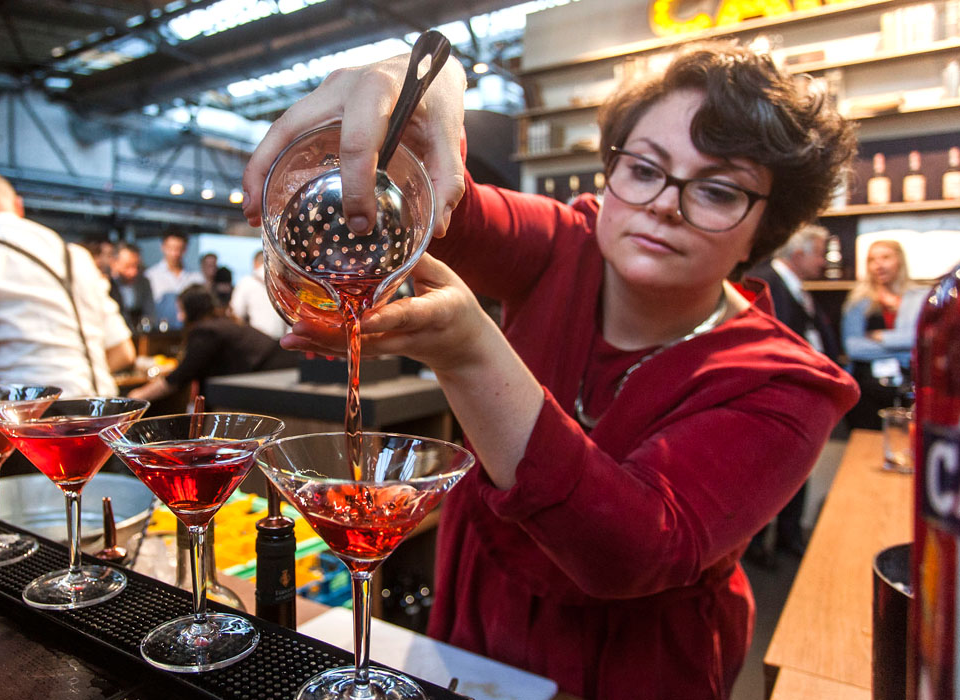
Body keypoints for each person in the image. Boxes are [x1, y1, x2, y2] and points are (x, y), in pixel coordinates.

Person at [242, 39, 859, 699]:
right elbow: (456, 209)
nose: (663, 205)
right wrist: (424, 102)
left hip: (631, 666)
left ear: (766, 227)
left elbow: (625, 551)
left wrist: (469, 350)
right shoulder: (566, 243)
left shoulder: (787, 384)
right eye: (644, 169)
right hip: (473, 619)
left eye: (715, 190)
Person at [0, 171, 135, 397]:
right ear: (19, 206)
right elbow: (123, 351)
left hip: (34, 421)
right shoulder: (76, 256)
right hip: (104, 416)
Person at [745, 224, 843, 566]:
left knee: (798, 468)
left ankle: (789, 535)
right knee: (766, 473)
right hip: (776, 394)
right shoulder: (762, 281)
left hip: (803, 392)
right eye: (819, 253)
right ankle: (756, 544)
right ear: (798, 253)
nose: (823, 261)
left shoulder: (798, 287)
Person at [128, 284, 294, 403]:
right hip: (282, 372)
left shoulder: (206, 332)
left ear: (192, 310)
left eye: (181, 310)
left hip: (274, 377)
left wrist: (138, 395)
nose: (179, 317)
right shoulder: (222, 322)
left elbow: (180, 377)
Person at [841, 239, 927, 429]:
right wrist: (903, 347)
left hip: (909, 386)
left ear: (899, 261)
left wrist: (882, 337)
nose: (878, 264)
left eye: (885, 257)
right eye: (872, 259)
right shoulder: (858, 300)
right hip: (867, 389)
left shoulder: (919, 297)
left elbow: (920, 339)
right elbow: (853, 348)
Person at [145, 230, 204, 329]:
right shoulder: (151, 276)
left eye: (179, 249)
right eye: (170, 248)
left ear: (185, 249)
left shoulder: (196, 278)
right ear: (163, 247)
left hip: (190, 331)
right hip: (160, 334)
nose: (175, 253)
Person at [228, 249, 290, 340]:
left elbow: (237, 312)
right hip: (282, 341)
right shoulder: (285, 283)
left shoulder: (246, 282)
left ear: (254, 263)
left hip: (256, 339)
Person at [109, 242, 156, 331]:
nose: (133, 272)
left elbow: (150, 312)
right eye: (127, 266)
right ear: (114, 263)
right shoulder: (107, 285)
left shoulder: (143, 283)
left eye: (137, 266)